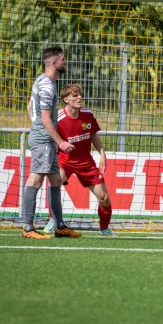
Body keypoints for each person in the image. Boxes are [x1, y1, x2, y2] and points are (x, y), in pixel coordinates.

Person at [22, 47, 81, 239]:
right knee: (35, 180)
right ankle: (28, 228)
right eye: (63, 59)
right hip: (44, 140)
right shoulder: (47, 85)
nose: (65, 62)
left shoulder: (42, 80)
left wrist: (35, 123)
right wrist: (60, 142)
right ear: (54, 62)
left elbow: (30, 106)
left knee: (56, 181)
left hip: (44, 138)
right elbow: (46, 118)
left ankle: (60, 226)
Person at [42, 84, 114, 237]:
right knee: (54, 184)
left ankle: (104, 229)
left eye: (80, 95)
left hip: (86, 163)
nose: (79, 98)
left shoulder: (87, 114)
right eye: (75, 96)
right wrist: (60, 143)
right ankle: (53, 220)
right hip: (64, 161)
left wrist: (102, 153)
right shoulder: (58, 118)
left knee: (105, 198)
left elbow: (93, 134)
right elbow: (49, 134)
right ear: (66, 99)